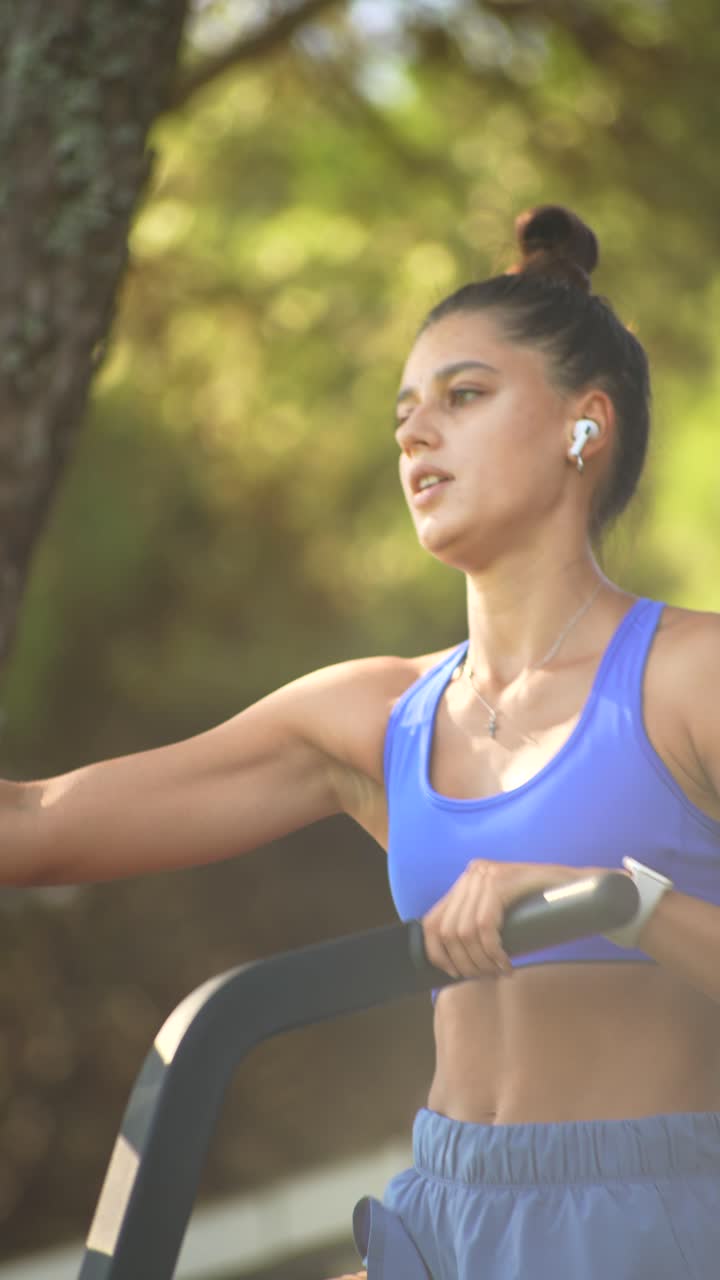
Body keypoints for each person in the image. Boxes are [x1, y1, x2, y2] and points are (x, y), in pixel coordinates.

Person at [5, 204, 720, 1278]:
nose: (414, 433)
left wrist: (627, 897)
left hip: (655, 1227)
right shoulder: (372, 716)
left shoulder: (692, 678)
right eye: (406, 412)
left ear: (587, 424)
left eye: (463, 396)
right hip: (439, 1215)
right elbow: (34, 824)